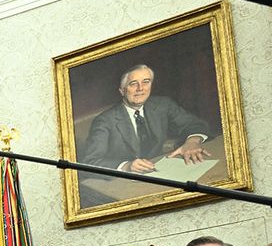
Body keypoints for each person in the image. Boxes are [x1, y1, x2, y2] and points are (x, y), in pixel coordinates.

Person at [80, 64, 212, 173]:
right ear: (122, 91)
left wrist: (192, 142)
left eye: (146, 82)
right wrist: (126, 166)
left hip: (162, 169)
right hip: (125, 182)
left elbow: (195, 124)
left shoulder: (163, 105)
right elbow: (90, 162)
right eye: (133, 84)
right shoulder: (105, 121)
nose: (140, 89)